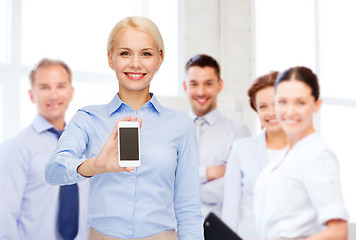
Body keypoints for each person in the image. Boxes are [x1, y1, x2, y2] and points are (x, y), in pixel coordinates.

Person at [45, 16, 203, 240]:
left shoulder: (181, 125)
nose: (136, 63)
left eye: (146, 53)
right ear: (111, 59)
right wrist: (94, 166)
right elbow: (53, 171)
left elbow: (189, 207)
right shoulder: (88, 118)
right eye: (125, 53)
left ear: (160, 59)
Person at [254, 66, 348, 240]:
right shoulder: (285, 156)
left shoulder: (318, 155)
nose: (290, 112)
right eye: (282, 102)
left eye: (300, 103)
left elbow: (338, 232)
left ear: (316, 104)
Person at [0, 58, 89, 240]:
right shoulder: (14, 148)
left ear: (71, 92)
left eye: (61, 86)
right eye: (44, 87)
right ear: (32, 95)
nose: (54, 95)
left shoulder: (85, 146)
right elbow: (5, 216)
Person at [183, 54, 251, 218]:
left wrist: (179, 187)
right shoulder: (170, 130)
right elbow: (160, 182)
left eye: (208, 84)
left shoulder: (239, 133)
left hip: (216, 231)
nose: (201, 91)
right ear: (185, 86)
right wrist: (207, 173)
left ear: (219, 85)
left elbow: (231, 189)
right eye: (194, 84)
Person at [221, 71, 288, 239]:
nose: (270, 112)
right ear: (257, 111)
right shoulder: (241, 149)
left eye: (276, 104)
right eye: (263, 107)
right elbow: (231, 210)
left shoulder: (305, 151)